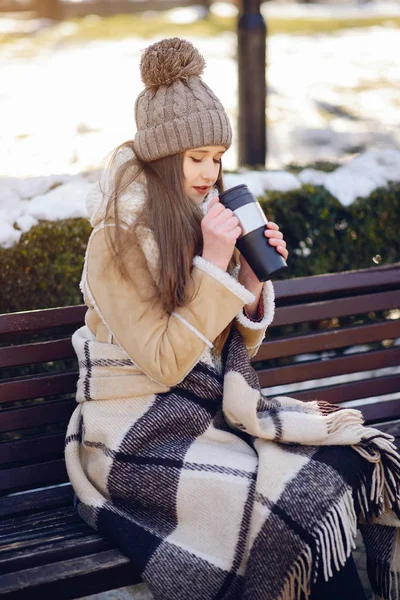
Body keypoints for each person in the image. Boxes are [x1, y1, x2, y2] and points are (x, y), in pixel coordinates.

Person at [65, 38, 400, 600]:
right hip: (128, 436)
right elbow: (168, 363)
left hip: (199, 414)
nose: (210, 171)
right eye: (196, 157)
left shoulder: (199, 224)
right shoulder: (116, 241)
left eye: (218, 157)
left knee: (323, 486)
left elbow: (221, 351)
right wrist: (216, 264)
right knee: (285, 509)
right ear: (161, 154)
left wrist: (248, 276)